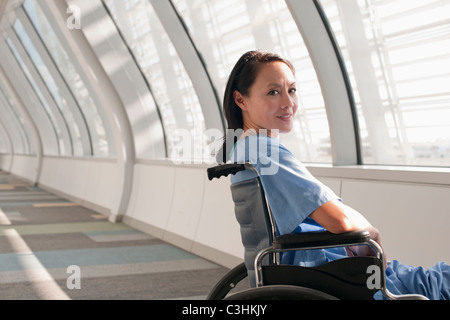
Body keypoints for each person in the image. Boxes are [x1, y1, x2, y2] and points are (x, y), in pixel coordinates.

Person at [219, 49, 450, 300]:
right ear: (241, 99)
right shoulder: (264, 151)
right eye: (273, 92)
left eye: (292, 90)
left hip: (319, 273)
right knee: (440, 281)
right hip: (334, 277)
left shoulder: (243, 149)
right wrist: (370, 230)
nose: (288, 102)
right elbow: (339, 221)